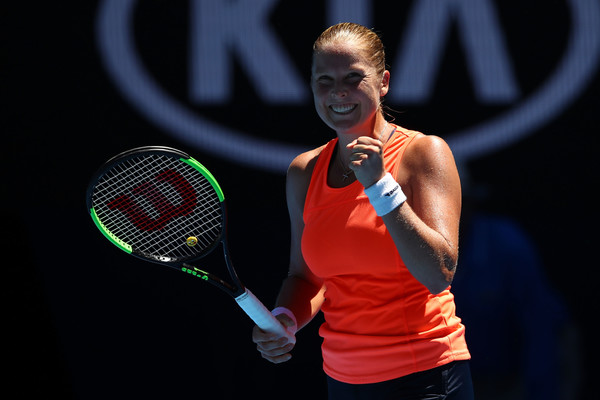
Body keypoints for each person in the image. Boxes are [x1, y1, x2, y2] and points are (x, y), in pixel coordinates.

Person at [252, 22, 473, 399]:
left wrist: (379, 185)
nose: (338, 91)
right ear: (311, 86)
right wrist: (285, 318)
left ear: (383, 82)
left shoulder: (425, 154)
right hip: (343, 380)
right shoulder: (303, 172)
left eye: (354, 78)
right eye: (325, 80)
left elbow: (439, 274)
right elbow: (305, 277)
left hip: (425, 377)